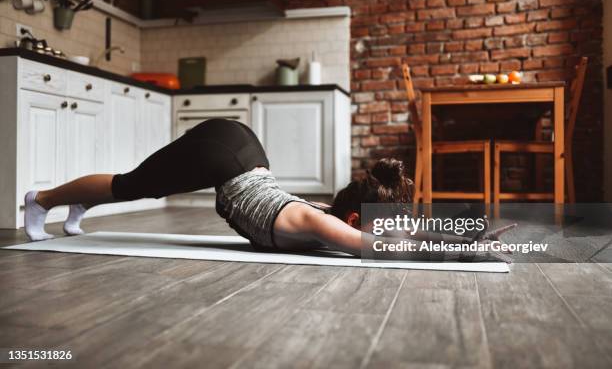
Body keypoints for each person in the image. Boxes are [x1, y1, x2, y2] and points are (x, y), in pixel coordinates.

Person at [24, 119, 510, 262]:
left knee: (133, 186)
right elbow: (384, 249)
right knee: (132, 187)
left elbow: (401, 234)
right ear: (356, 221)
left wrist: (464, 233)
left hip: (242, 152)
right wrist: (464, 249)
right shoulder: (323, 221)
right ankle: (41, 199)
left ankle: (77, 202)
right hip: (223, 153)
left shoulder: (331, 213)